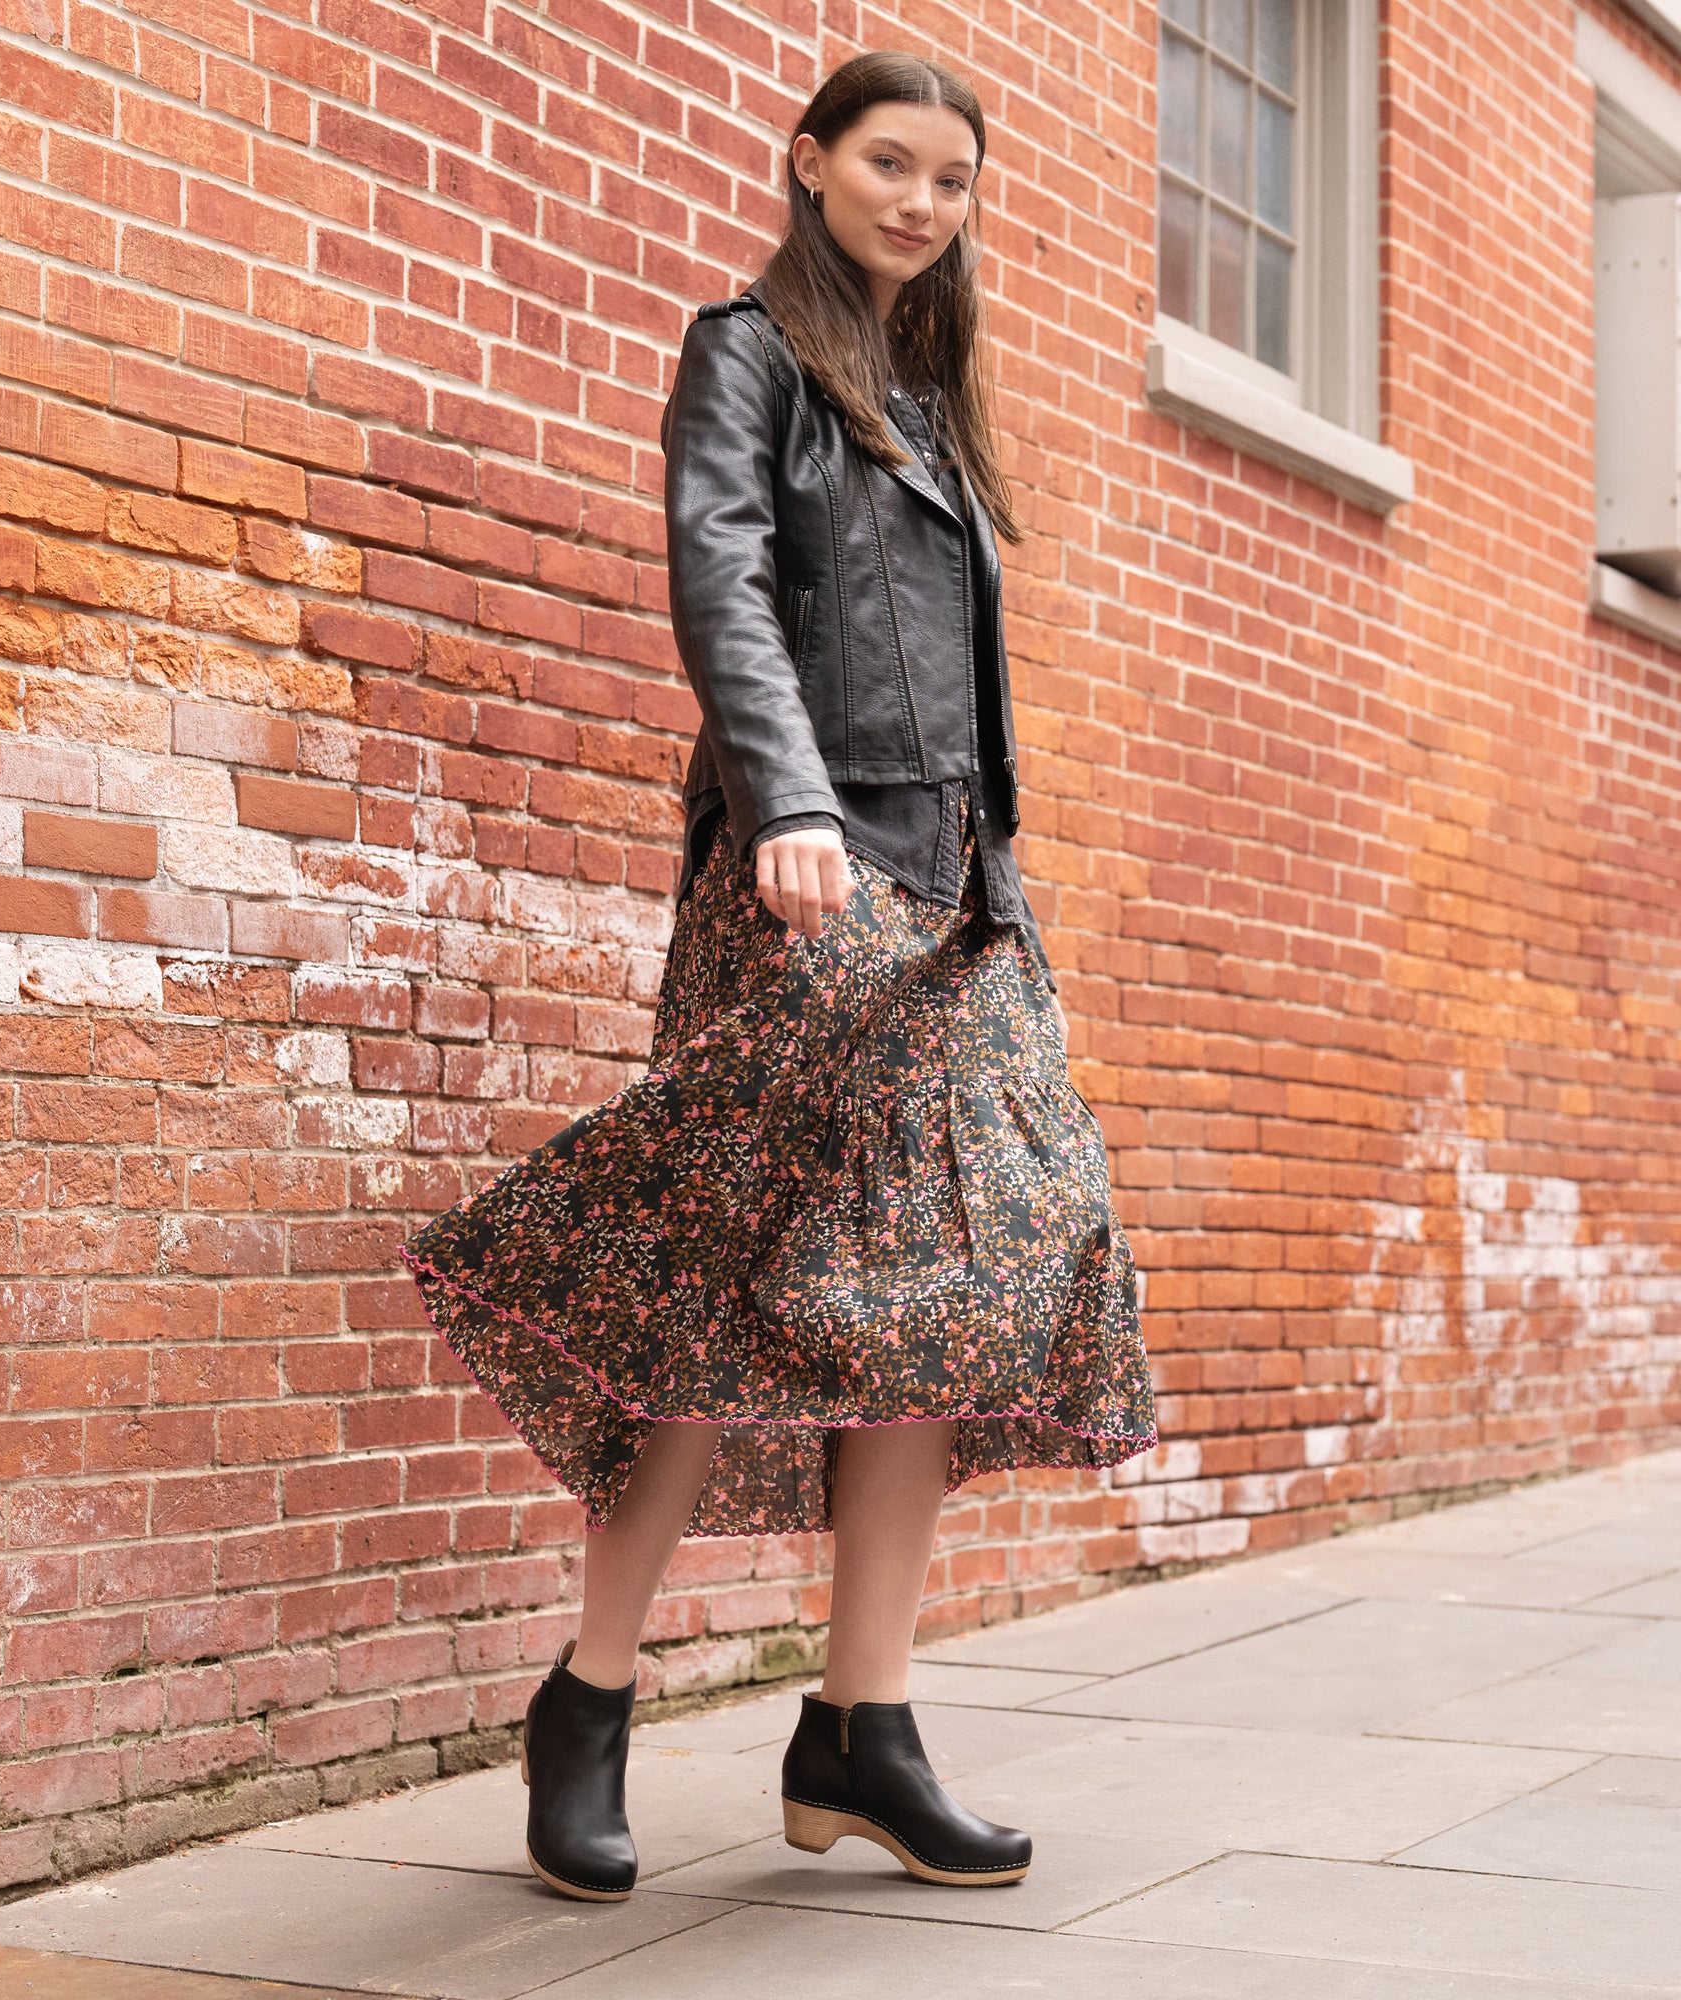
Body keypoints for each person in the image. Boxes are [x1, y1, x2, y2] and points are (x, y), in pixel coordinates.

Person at [400, 50, 1156, 1904]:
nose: (921, 201)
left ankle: (863, 1729)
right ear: (810, 163)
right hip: (803, 888)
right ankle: (587, 1700)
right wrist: (786, 802)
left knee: (949, 1289)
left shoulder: (936, 393)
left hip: (956, 901)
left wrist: (1000, 877)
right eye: (890, 163)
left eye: (954, 180)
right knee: (723, 1281)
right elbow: (721, 578)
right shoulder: (746, 350)